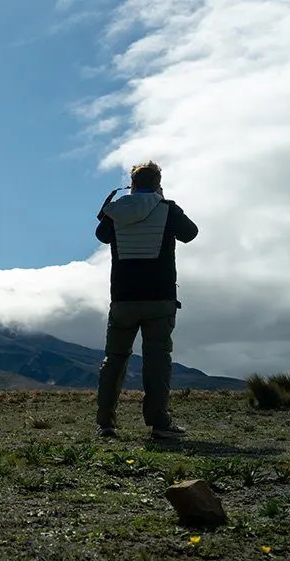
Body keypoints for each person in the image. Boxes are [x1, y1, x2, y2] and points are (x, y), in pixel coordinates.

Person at [94, 161, 198, 439]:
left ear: (132, 183)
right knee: (157, 360)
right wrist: (162, 201)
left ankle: (106, 423)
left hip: (123, 298)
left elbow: (101, 235)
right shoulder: (168, 209)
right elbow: (191, 233)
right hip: (159, 298)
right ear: (157, 183)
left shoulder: (114, 212)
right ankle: (159, 423)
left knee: (114, 358)